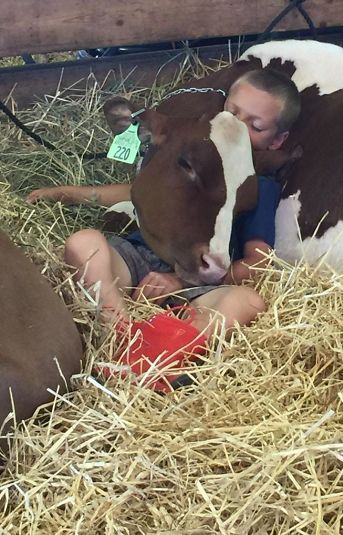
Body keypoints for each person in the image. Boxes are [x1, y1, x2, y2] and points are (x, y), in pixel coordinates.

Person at [27, 70, 301, 343]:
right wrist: (67, 193)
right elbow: (136, 190)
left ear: (276, 141)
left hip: (199, 277)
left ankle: (164, 353)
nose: (237, 127)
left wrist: (180, 281)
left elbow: (261, 263)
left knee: (248, 303)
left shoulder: (257, 184)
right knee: (83, 243)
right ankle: (120, 335)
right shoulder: (192, 150)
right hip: (136, 260)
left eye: (256, 126)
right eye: (233, 112)